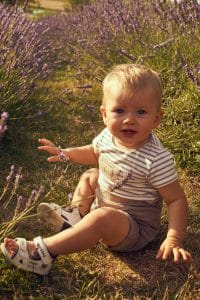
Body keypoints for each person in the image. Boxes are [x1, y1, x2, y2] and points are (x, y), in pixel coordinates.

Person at [1, 64, 191, 275]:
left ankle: (42, 253)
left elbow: (176, 200)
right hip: (105, 204)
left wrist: (173, 238)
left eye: (141, 112)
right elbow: (93, 152)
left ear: (156, 119)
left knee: (102, 217)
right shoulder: (108, 137)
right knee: (91, 175)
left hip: (133, 228)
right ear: (104, 114)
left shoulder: (156, 159)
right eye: (119, 110)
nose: (129, 119)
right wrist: (66, 153)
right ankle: (75, 217)